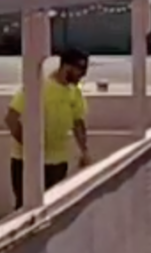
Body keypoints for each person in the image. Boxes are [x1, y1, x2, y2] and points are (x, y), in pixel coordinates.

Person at [6, 48, 92, 210]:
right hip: (26, 161)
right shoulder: (38, 86)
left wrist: (84, 151)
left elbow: (78, 122)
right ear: (66, 67)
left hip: (57, 162)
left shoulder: (74, 92)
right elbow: (11, 118)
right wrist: (30, 145)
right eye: (80, 70)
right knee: (25, 208)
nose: (82, 75)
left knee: (53, 207)